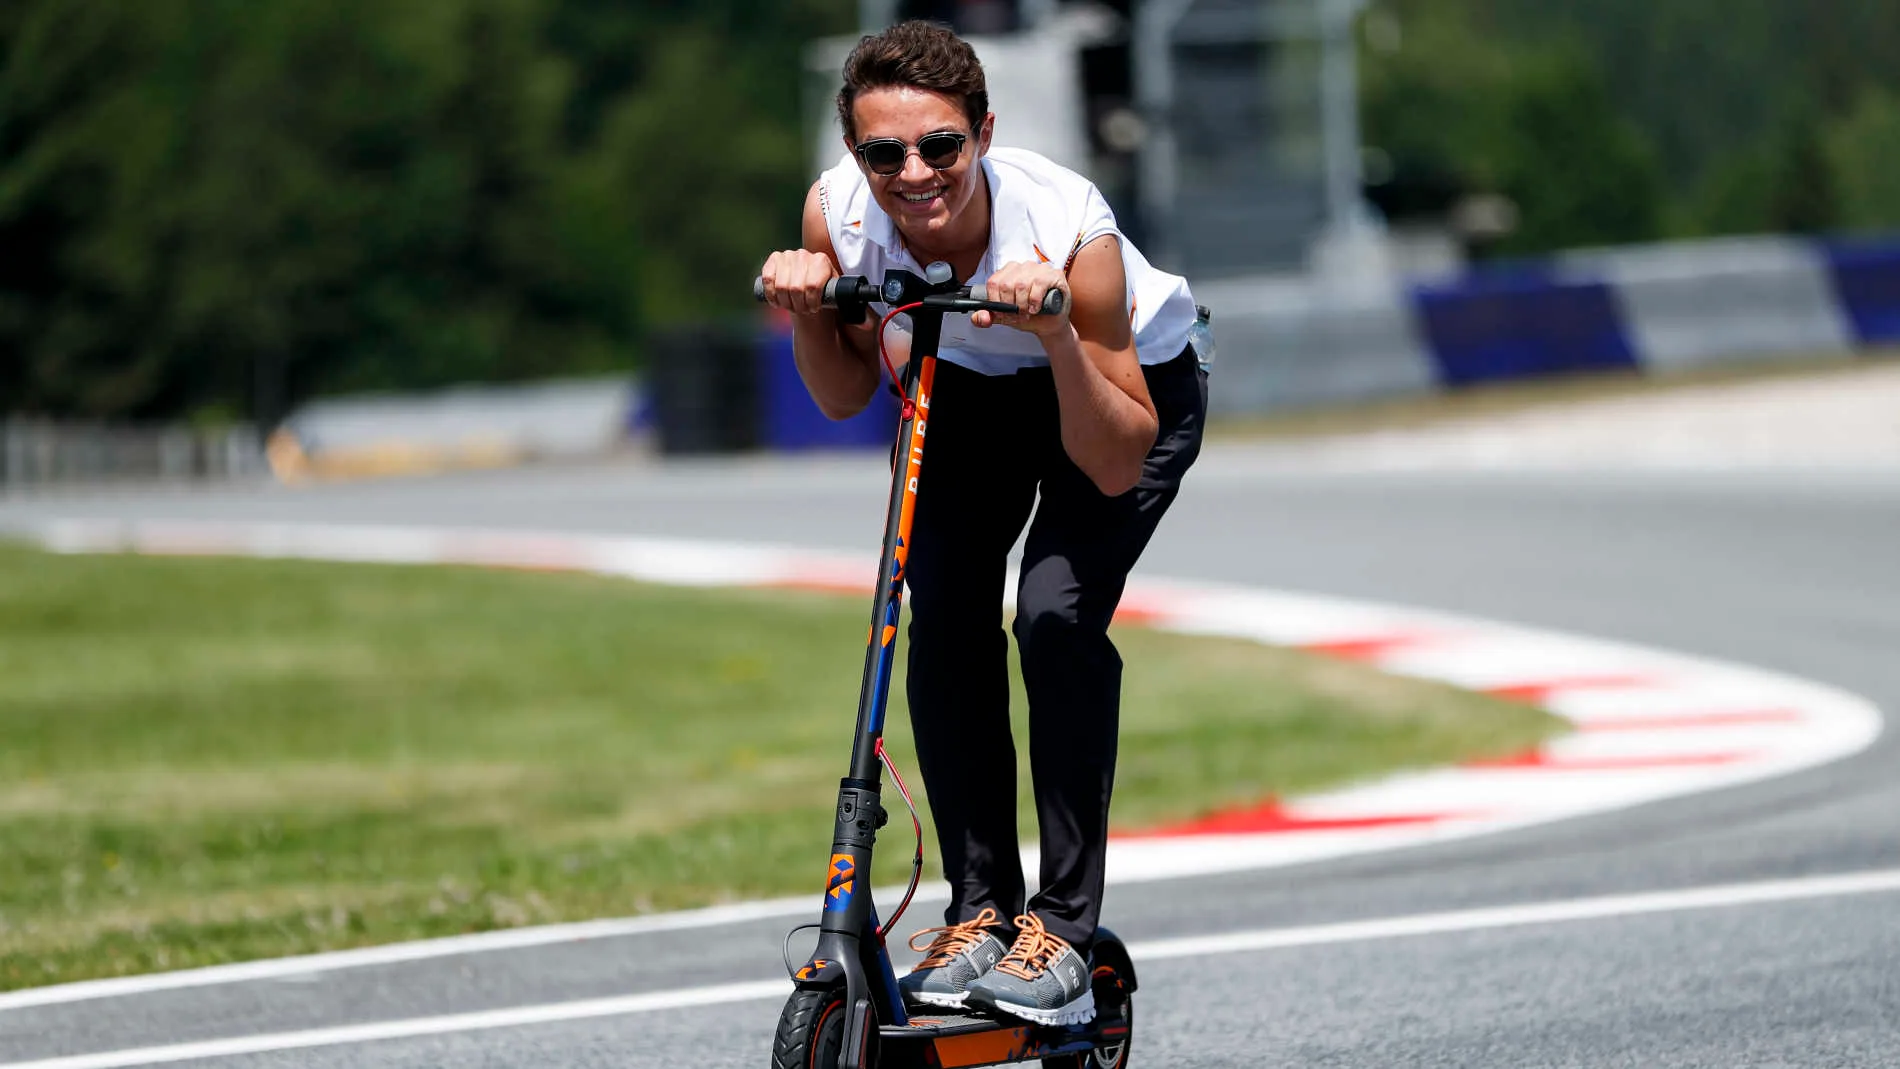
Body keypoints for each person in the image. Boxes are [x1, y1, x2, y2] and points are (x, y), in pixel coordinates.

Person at [756, 19, 1207, 1027]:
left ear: (983, 133)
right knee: (944, 608)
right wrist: (811, 312)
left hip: (1113, 390)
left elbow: (1114, 453)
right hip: (963, 381)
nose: (913, 174)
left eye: (940, 147)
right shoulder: (840, 213)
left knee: (1052, 614)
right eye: (884, 153)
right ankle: (978, 911)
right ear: (853, 152)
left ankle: (1062, 928)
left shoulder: (1066, 227)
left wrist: (1051, 327)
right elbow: (836, 397)